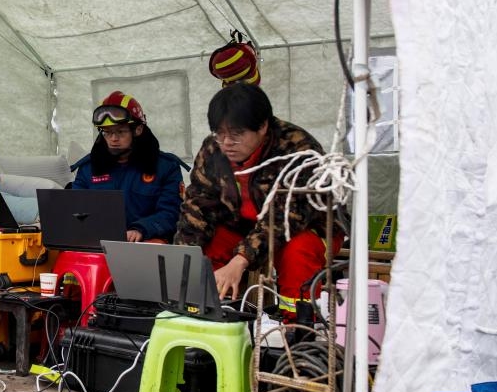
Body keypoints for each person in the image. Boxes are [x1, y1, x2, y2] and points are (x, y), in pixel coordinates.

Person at [173, 82, 345, 314]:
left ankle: (297, 329)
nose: (226, 143)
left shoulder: (298, 149)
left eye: (236, 134)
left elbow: (287, 218)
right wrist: (183, 259)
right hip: (243, 227)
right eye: (220, 133)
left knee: (297, 251)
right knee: (203, 252)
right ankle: (208, 316)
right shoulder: (213, 149)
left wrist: (241, 259)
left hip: (308, 228)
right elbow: (197, 204)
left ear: (263, 126)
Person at [71, 91, 186, 242]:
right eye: (107, 132)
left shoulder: (166, 167)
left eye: (120, 131)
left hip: (146, 241)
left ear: (137, 130)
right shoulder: (88, 169)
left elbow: (171, 212)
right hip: (99, 243)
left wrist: (141, 229)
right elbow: (75, 210)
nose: (113, 139)